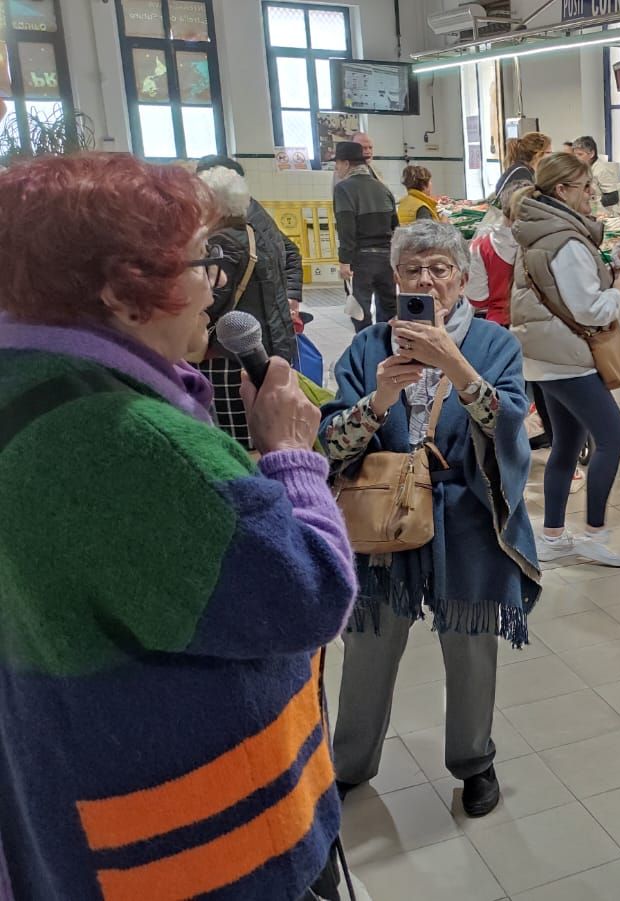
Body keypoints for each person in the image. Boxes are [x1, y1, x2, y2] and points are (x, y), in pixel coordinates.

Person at [0, 153, 355, 900]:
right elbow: (310, 593)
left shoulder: (25, 387)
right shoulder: (136, 443)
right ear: (122, 292)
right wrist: (290, 454)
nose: (216, 284)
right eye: (201, 262)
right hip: (201, 851)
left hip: (72, 805)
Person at [323, 220, 541, 819]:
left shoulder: (494, 344)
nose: (427, 280)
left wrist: (455, 365)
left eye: (440, 269)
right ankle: (349, 763)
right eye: (414, 270)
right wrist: (380, 400)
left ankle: (474, 761)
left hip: (465, 514)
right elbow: (331, 443)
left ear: (462, 279)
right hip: (381, 513)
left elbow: (507, 424)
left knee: (470, 645)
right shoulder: (369, 347)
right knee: (368, 642)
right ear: (396, 280)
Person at [510, 152, 620, 568]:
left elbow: (562, 290)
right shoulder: (566, 241)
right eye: (586, 186)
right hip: (570, 362)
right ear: (563, 191)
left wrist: (606, 264)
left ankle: (552, 535)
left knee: (566, 446)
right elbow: (589, 310)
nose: (593, 194)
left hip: (545, 359)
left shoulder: (539, 231)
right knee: (613, 439)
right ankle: (594, 534)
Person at [197, 166, 299, 448]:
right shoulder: (259, 234)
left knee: (237, 439)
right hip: (268, 346)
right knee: (266, 431)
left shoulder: (220, 244)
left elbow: (210, 304)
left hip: (229, 357)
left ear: (213, 205)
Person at [196, 155, 304, 325]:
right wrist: (290, 294)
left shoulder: (229, 236)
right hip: (268, 322)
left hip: (245, 329)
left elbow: (213, 300)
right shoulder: (248, 214)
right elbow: (289, 251)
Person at [333, 140, 399, 330]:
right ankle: (388, 346)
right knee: (389, 307)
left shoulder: (343, 189)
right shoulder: (383, 188)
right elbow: (396, 227)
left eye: (337, 164)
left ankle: (366, 347)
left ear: (346, 163)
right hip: (387, 257)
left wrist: (344, 261)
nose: (336, 169)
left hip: (361, 259)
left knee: (359, 310)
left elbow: (346, 228)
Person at [494, 132, 550, 210]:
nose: (551, 157)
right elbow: (524, 208)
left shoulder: (521, 169)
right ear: (538, 154)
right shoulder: (522, 174)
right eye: (549, 152)